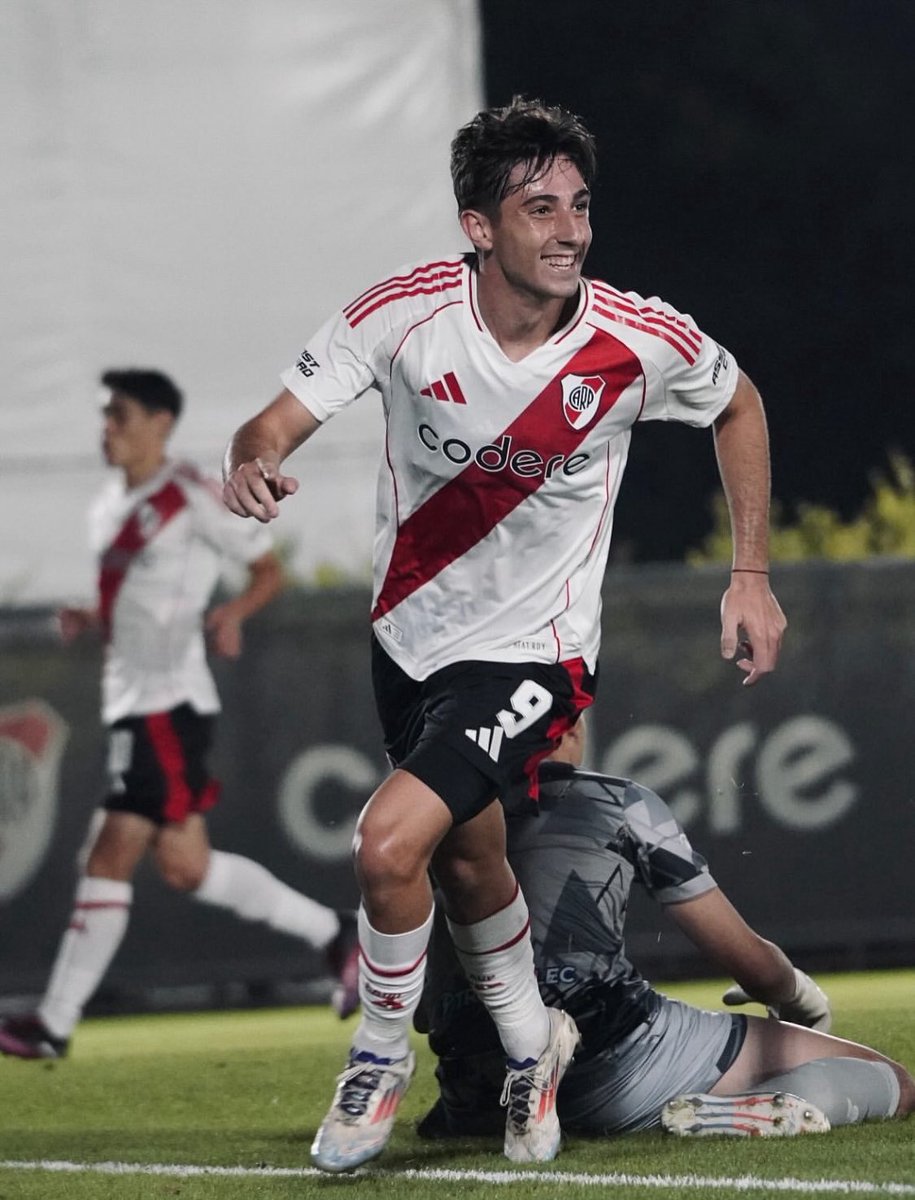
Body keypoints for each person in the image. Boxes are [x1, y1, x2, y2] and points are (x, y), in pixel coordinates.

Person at [221, 96, 787, 1172]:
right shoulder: (405, 314)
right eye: (539, 208)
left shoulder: (636, 336)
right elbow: (274, 421)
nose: (570, 228)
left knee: (390, 843)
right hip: (408, 641)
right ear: (479, 227)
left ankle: (378, 1057)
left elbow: (739, 403)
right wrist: (250, 460)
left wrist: (749, 575)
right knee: (473, 868)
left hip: (537, 655)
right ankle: (535, 1042)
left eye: (579, 205)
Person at [0, 369, 359, 1063]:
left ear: (161, 423)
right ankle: (336, 932)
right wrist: (92, 614)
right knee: (186, 867)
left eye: (121, 415)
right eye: (105, 415)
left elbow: (266, 571)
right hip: (133, 705)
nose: (108, 428)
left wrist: (229, 612)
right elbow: (134, 604)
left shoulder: (189, 494)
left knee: (108, 852)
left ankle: (52, 1021)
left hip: (167, 706)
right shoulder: (107, 506)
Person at [416, 717, 914, 1139]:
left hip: (474, 1094)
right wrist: (794, 991)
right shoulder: (617, 802)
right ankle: (744, 1108)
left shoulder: (438, 818)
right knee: (890, 1079)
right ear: (566, 727)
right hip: (607, 1070)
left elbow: (425, 1012)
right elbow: (749, 963)